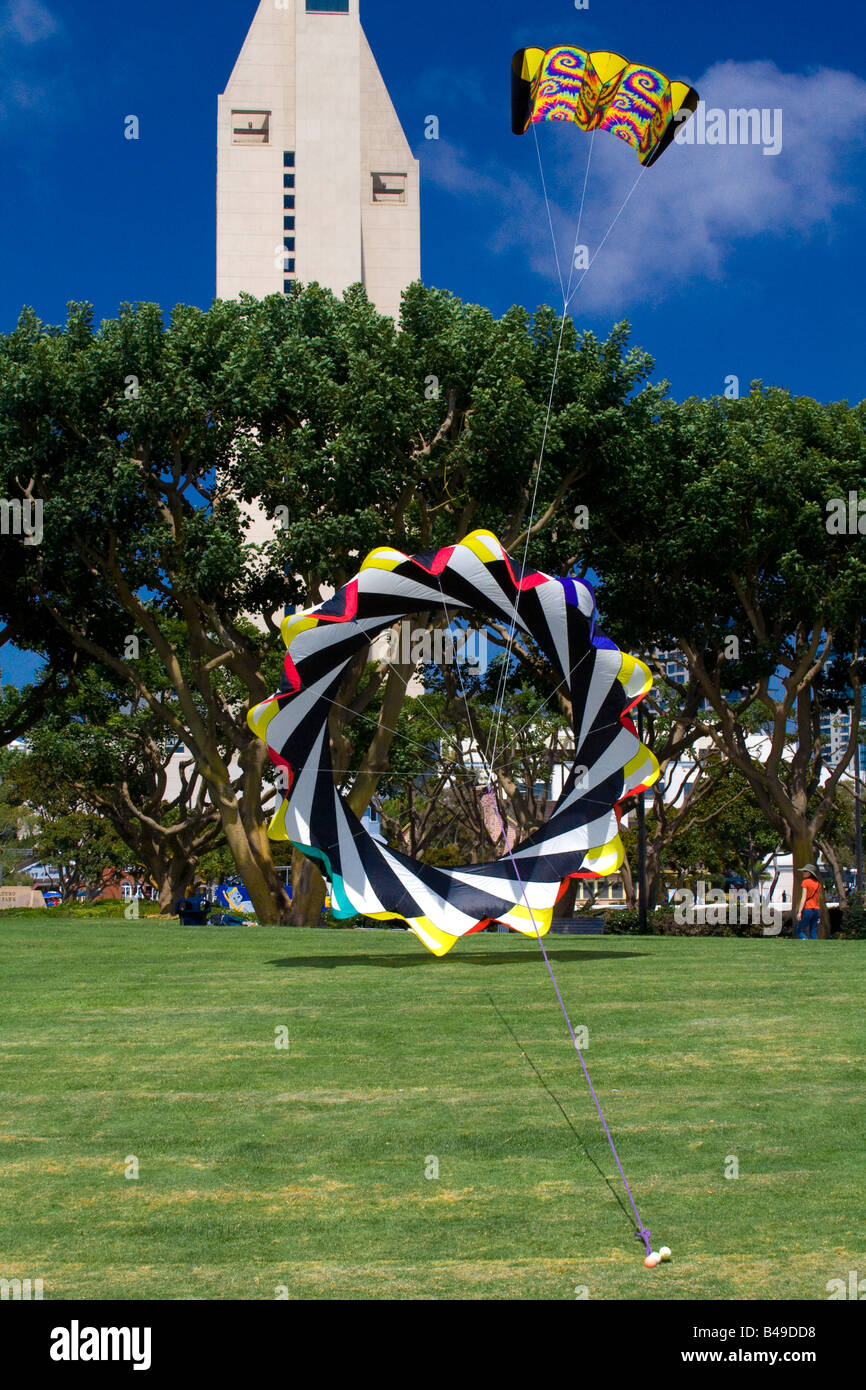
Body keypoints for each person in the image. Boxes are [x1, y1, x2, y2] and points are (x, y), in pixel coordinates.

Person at [795, 865, 824, 939]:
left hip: (808, 908)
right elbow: (818, 898)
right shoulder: (818, 884)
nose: (803, 872)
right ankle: (814, 947)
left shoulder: (805, 882)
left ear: (810, 873)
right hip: (816, 909)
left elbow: (803, 898)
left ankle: (805, 941)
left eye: (805, 871)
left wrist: (800, 911)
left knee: (799, 930)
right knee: (813, 931)